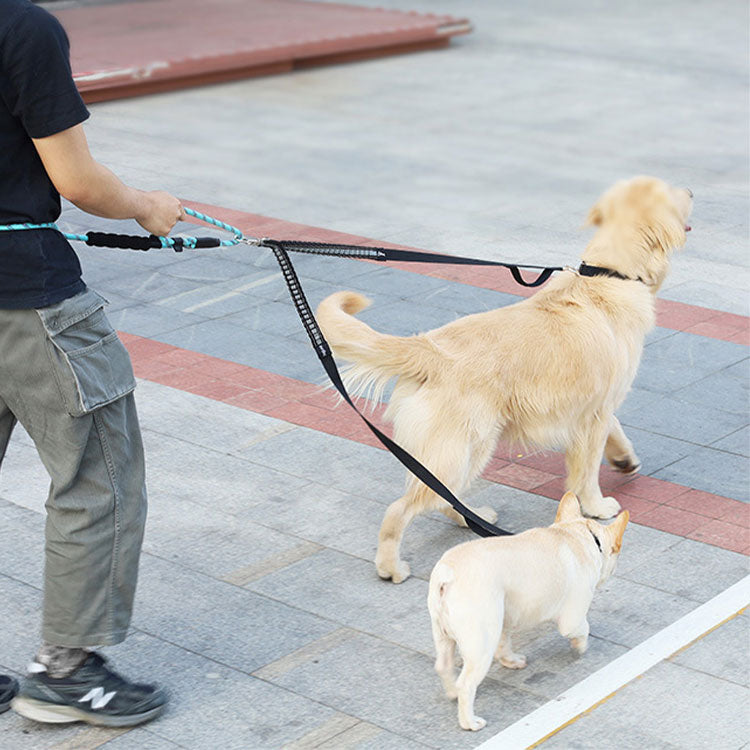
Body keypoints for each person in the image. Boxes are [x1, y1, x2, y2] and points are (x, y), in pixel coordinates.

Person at [1, 0, 183, 727]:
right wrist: (146, 205)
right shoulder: (22, 26)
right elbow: (75, 179)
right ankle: (67, 673)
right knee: (99, 479)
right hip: (27, 297)